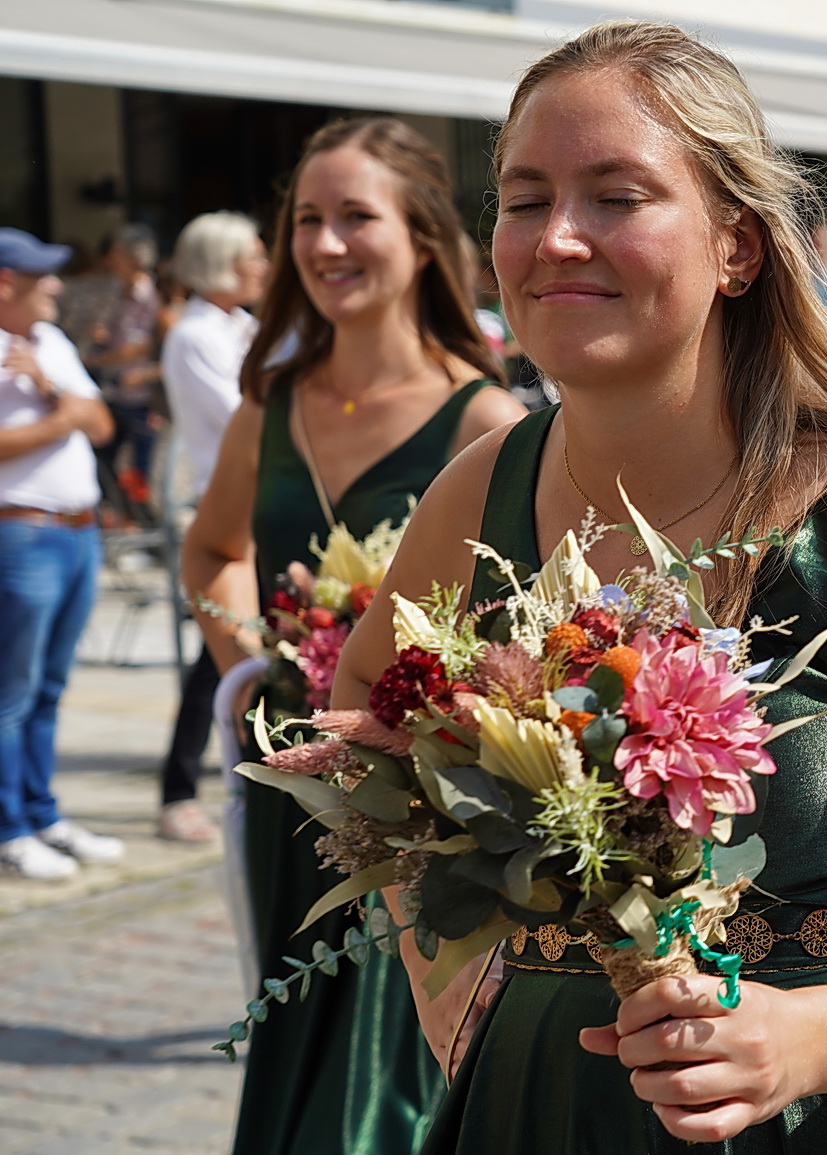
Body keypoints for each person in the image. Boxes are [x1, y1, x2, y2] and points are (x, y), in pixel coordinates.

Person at [331, 21, 827, 1153]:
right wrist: (434, 958)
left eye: (616, 196)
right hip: (544, 1107)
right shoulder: (482, 489)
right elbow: (371, 707)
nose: (557, 238)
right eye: (523, 198)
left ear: (738, 246)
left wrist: (811, 1039)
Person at [182, 117, 524, 1155]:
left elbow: (517, 627)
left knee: (395, 1057)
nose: (326, 245)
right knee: (296, 1024)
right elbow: (209, 552)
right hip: (292, 778)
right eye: (306, 222)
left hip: (413, 792)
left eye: (355, 218)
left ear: (421, 234)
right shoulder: (268, 409)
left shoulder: (485, 423)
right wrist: (251, 660)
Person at [0, 228, 120, 880]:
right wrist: (65, 412)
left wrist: (49, 390)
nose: (53, 286)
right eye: (40, 275)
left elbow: (101, 425)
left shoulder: (49, 344)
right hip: (21, 535)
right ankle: (10, 828)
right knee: (11, 694)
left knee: (47, 688)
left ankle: (42, 814)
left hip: (76, 531)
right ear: (4, 284)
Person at [156, 211, 270, 844]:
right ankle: (179, 789)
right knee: (217, 655)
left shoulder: (241, 327)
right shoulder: (195, 335)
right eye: (251, 254)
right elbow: (247, 420)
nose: (262, 265)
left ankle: (193, 782)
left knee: (223, 655)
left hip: (257, 509)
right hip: (226, 512)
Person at [87, 225, 163, 516]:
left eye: (117, 255)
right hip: (118, 390)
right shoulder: (120, 292)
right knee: (106, 457)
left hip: (144, 393)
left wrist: (97, 360)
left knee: (143, 466)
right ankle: (126, 516)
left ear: (133, 258)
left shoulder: (154, 295)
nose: (110, 261)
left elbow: (145, 345)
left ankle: (145, 523)